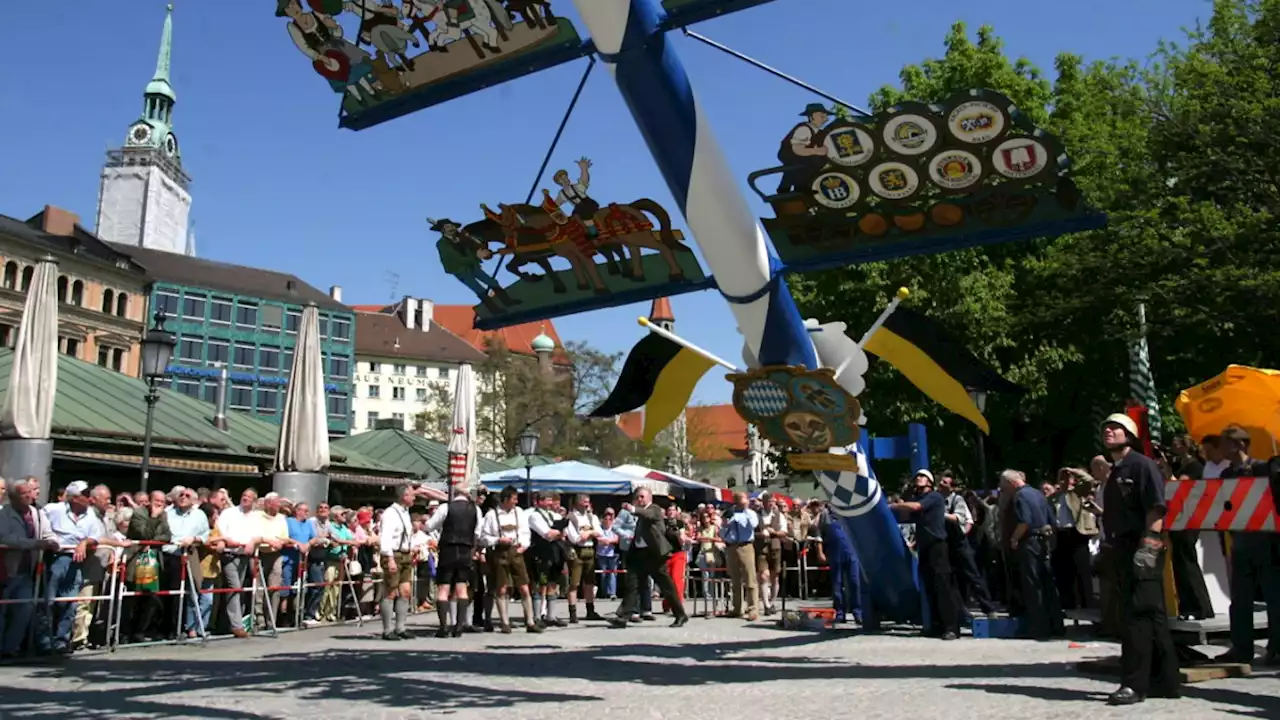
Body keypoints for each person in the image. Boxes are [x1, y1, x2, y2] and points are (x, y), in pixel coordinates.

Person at [1100, 413, 1180, 705]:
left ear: (1130, 434)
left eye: (1116, 427)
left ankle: (1134, 684)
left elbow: (1156, 506)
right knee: (1152, 614)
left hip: (1140, 546)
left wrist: (1149, 545)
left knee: (1137, 617)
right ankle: (1167, 680)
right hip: (1122, 547)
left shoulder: (1141, 465)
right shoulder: (1117, 469)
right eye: (1106, 428)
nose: (1109, 431)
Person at [1215, 426, 1279, 666]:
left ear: (1239, 444)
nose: (1222, 448)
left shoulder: (1263, 468)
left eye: (1226, 443)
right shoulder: (1226, 475)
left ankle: (1277, 648)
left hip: (1266, 542)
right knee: (1240, 600)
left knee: (1274, 599)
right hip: (1240, 543)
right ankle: (1241, 648)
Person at [890, 470, 962, 640]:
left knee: (943, 586)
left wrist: (893, 505)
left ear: (930, 482)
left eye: (922, 477)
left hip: (938, 546)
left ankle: (952, 627)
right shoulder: (918, 498)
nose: (918, 479)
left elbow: (916, 507)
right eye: (917, 477)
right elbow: (909, 513)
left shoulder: (934, 496)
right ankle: (936, 625)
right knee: (929, 586)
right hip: (925, 546)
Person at [608, 488, 688, 628]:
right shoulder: (639, 514)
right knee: (633, 585)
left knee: (666, 586)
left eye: (642, 497)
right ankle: (624, 617)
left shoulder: (654, 509)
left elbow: (648, 515)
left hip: (654, 554)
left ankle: (680, 614)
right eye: (637, 497)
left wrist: (632, 508)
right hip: (639, 554)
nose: (639, 499)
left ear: (649, 498)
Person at [1003, 470, 1062, 640]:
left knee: (1032, 584)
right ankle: (1056, 625)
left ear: (1011, 483)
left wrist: (1014, 538)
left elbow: (1025, 521)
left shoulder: (1020, 497)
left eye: (1004, 485)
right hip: (1043, 541)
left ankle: (1039, 628)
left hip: (1028, 542)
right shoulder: (1038, 494)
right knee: (1048, 583)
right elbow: (1052, 520)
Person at [479, 486, 543, 634]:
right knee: (501, 588)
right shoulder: (491, 515)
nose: (516, 501)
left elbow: (525, 532)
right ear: (506, 499)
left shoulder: (519, 512)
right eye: (514, 498)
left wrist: (523, 546)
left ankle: (530, 621)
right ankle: (504, 622)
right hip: (499, 553)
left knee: (524, 586)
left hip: (516, 552)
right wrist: (497, 539)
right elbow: (484, 537)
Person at [425, 489, 484, 638]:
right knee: (462, 588)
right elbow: (478, 532)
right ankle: (459, 627)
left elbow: (429, 526)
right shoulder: (475, 509)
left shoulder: (446, 507)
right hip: (465, 550)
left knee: (444, 588)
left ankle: (443, 627)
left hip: (448, 549)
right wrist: (473, 549)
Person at [378, 485, 417, 641]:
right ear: (403, 496)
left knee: (405, 590)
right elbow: (386, 537)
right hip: (393, 554)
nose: (414, 498)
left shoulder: (405, 513)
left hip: (405, 554)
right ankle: (387, 630)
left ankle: (400, 627)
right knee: (391, 591)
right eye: (412, 495)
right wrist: (389, 558)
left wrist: (411, 547)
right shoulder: (390, 513)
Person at [812, 501, 861, 624]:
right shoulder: (825, 514)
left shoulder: (852, 512)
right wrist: (820, 552)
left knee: (855, 582)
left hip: (852, 552)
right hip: (834, 552)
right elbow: (818, 534)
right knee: (837, 584)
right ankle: (840, 612)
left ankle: (858, 612)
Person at [719, 492, 760, 621]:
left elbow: (753, 524)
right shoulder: (729, 513)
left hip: (745, 546)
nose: (742, 501)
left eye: (743, 499)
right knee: (735, 579)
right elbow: (722, 529)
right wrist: (724, 527)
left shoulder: (750, 513)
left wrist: (746, 509)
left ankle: (753, 609)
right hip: (731, 547)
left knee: (750, 578)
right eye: (739, 499)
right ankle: (737, 608)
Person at [776, 103, 832, 193]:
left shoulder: (820, 132)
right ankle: (786, 189)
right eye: (821, 114)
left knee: (816, 162)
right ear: (812, 116)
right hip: (789, 153)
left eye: (825, 114)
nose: (825, 117)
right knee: (810, 162)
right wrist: (816, 151)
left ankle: (801, 187)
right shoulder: (804, 129)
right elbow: (797, 149)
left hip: (803, 155)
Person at [565, 494, 603, 623]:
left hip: (590, 550)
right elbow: (575, 538)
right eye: (584, 501)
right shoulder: (571, 518)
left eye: (588, 501)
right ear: (577, 503)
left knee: (590, 583)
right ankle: (573, 613)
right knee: (574, 583)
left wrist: (588, 533)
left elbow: (599, 533)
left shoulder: (592, 517)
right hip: (577, 551)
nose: (587, 504)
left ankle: (590, 610)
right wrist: (590, 533)